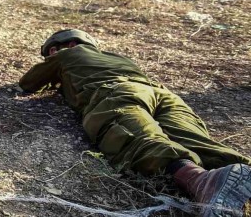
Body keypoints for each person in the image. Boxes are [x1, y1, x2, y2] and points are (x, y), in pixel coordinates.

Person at [20, 29, 251, 217]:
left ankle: (200, 180)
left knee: (138, 136)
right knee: (196, 140)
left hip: (116, 93)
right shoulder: (119, 58)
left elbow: (28, 83)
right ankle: (237, 172)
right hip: (162, 95)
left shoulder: (66, 54)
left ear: (56, 47)